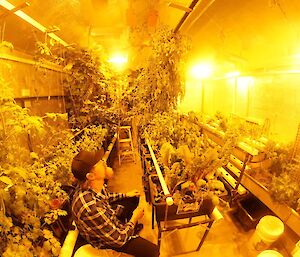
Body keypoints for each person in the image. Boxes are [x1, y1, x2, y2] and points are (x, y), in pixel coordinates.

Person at [71, 150, 159, 257]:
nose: (103, 162)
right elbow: (119, 240)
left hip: (107, 220)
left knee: (133, 198)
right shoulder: (90, 207)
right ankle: (130, 229)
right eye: (98, 162)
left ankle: (128, 227)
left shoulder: (93, 186)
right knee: (153, 252)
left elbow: (106, 196)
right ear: (90, 176)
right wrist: (134, 219)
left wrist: (126, 194)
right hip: (106, 241)